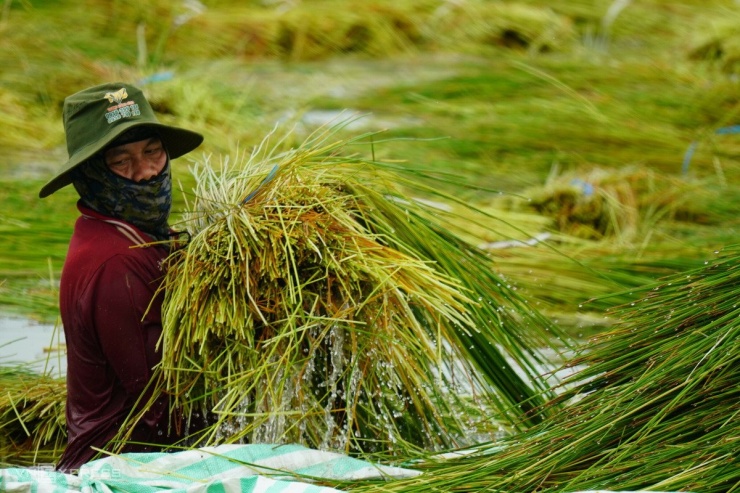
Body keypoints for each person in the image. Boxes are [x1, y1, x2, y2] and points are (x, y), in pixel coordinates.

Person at [39, 82, 204, 472]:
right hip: (121, 466)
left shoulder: (136, 236)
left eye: (153, 152)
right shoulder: (116, 263)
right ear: (91, 173)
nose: (146, 172)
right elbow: (162, 411)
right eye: (121, 161)